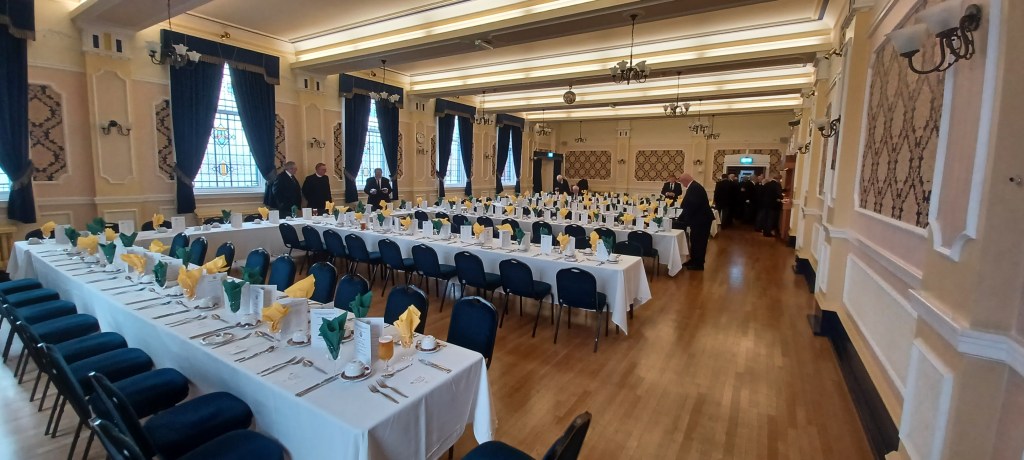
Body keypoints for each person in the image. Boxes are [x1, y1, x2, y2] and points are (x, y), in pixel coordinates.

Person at [677, 173, 715, 271]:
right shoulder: (694, 186)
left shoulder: (695, 188)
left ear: (685, 180)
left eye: (681, 182)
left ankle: (698, 264)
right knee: (694, 240)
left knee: (699, 242)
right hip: (698, 219)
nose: (682, 184)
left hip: (701, 220)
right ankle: (693, 260)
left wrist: (683, 219)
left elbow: (693, 205)